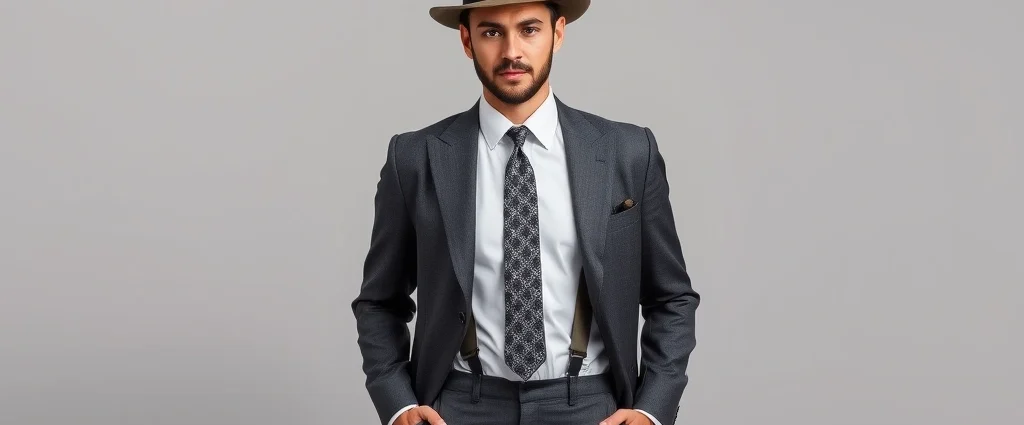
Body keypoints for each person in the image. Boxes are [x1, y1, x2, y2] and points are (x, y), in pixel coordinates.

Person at [351, 1, 699, 424]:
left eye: (529, 29)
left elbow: (672, 297)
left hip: (591, 405)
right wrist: (399, 405)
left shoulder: (626, 151)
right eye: (492, 32)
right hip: (460, 406)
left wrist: (652, 409)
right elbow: (379, 301)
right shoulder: (414, 158)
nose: (512, 51)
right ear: (467, 40)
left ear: (558, 33)